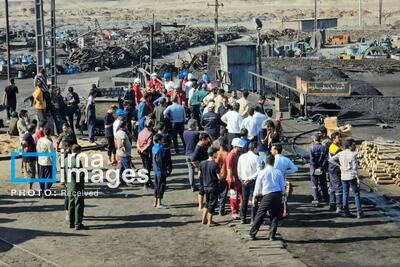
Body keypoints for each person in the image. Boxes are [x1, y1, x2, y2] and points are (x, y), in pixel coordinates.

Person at [249, 155, 286, 241]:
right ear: (274, 163)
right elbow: (282, 186)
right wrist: (284, 194)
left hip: (267, 195)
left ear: (266, 162)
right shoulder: (278, 172)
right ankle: (272, 236)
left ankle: (252, 234)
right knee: (275, 215)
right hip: (277, 194)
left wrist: (255, 195)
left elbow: (257, 187)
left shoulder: (262, 172)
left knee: (260, 214)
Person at [329, 139, 364, 218]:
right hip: (351, 176)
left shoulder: (341, 153)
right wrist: (357, 178)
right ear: (350, 146)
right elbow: (355, 168)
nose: (355, 146)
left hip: (343, 176)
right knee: (356, 194)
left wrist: (339, 165)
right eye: (353, 145)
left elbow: (330, 159)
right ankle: (359, 212)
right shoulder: (352, 155)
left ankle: (345, 211)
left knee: (345, 194)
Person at [238, 141, 261, 224]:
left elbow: (239, 170)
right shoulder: (256, 158)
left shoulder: (241, 157)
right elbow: (259, 171)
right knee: (254, 199)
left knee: (244, 200)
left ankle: (242, 218)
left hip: (243, 181)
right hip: (253, 181)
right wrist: (250, 178)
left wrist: (242, 179)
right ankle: (253, 219)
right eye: (258, 148)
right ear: (254, 148)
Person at [65, 144, 87, 230]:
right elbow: (81, 174)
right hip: (77, 185)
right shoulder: (77, 161)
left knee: (71, 204)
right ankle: (78, 223)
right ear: (78, 151)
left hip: (69, 185)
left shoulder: (66, 160)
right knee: (78, 204)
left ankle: (71, 223)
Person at [200, 147, 221, 227]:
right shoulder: (215, 164)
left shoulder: (202, 163)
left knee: (207, 203)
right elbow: (219, 177)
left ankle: (203, 219)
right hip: (213, 186)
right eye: (216, 153)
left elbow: (200, 174)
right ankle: (210, 221)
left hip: (205, 186)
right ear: (214, 154)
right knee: (212, 204)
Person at [191, 132, 212, 210]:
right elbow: (193, 160)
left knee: (204, 187)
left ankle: (204, 205)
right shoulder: (199, 147)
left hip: (206, 169)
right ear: (203, 139)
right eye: (207, 139)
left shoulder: (204, 145)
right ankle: (200, 206)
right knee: (202, 188)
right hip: (203, 170)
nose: (208, 140)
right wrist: (199, 168)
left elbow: (211, 143)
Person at [309, 133, 329, 206]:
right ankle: (326, 198)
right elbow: (326, 158)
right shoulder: (324, 148)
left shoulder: (311, 148)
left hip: (313, 170)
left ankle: (316, 199)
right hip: (321, 169)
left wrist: (315, 168)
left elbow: (312, 160)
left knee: (315, 185)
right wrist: (321, 167)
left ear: (314, 139)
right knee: (323, 184)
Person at [226, 138, 244, 219]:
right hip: (233, 179)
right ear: (234, 146)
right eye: (239, 147)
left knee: (241, 195)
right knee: (234, 196)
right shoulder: (230, 156)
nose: (241, 149)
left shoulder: (238, 154)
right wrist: (231, 180)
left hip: (239, 178)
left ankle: (242, 209)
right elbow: (229, 169)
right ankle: (234, 212)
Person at [152, 134, 171, 209]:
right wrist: (165, 169)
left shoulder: (154, 148)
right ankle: (159, 203)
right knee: (161, 186)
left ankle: (155, 202)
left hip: (155, 170)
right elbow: (161, 161)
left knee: (156, 186)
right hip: (160, 170)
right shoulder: (160, 149)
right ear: (159, 140)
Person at [36, 128, 55, 197]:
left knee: (42, 177)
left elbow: (37, 149)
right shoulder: (49, 143)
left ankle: (41, 191)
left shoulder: (40, 140)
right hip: (47, 162)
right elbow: (51, 155)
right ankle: (46, 192)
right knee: (49, 178)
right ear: (50, 133)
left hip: (40, 161)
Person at [328, 132, 343, 213]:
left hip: (331, 169)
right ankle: (339, 206)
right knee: (338, 188)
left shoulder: (332, 146)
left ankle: (332, 204)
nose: (340, 139)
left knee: (332, 187)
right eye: (338, 137)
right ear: (334, 139)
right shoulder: (336, 149)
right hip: (335, 169)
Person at [137, 118, 154, 188]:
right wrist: (143, 149)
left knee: (144, 165)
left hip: (141, 151)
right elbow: (149, 144)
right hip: (147, 152)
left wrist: (140, 149)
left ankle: (148, 181)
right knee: (148, 167)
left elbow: (138, 141)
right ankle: (147, 182)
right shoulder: (150, 133)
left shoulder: (140, 132)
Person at [183, 119, 200, 191]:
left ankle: (192, 186)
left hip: (187, 153)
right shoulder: (196, 134)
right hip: (195, 154)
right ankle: (202, 183)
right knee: (199, 169)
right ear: (193, 125)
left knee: (190, 170)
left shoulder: (185, 132)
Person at [215, 137, 229, 216]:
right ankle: (221, 209)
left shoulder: (216, 154)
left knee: (218, 193)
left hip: (217, 175)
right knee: (223, 194)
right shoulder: (227, 154)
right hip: (225, 175)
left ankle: (216, 208)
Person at [116, 121, 132, 186]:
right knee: (127, 167)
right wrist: (123, 146)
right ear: (124, 126)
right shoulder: (122, 133)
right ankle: (128, 180)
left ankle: (121, 179)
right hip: (125, 153)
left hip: (121, 152)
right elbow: (123, 140)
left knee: (122, 167)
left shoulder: (118, 132)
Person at [22, 124, 37, 191]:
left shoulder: (27, 135)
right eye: (34, 129)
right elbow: (23, 143)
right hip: (29, 159)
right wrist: (29, 148)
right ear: (33, 130)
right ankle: (29, 188)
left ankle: (29, 188)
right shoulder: (27, 136)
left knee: (30, 173)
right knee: (31, 173)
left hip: (29, 158)